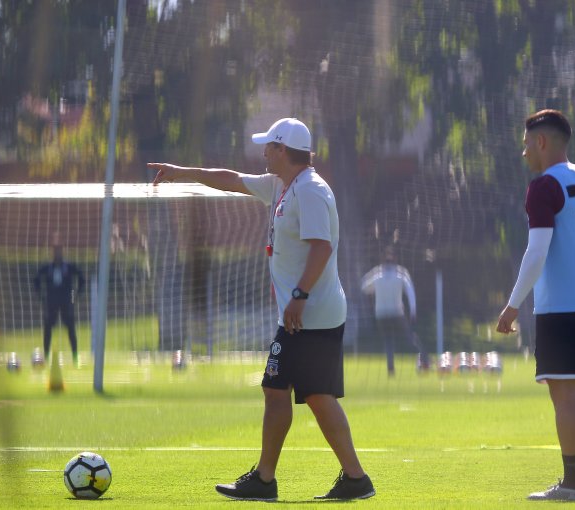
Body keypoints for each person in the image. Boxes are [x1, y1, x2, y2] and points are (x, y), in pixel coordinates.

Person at [148, 117, 375, 501]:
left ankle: (279, 480)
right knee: (297, 392)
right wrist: (181, 172)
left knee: (294, 392)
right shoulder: (283, 186)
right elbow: (231, 178)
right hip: (302, 314)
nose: (263, 151)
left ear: (283, 150)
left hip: (309, 313)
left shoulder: (312, 190)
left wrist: (299, 297)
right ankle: (339, 479)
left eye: (268, 146)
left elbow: (321, 246)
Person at [495, 109, 575, 501]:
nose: (524, 154)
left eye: (525, 145)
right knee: (571, 391)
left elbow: (536, 252)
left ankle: (572, 483)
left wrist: (512, 304)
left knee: (564, 395)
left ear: (542, 142)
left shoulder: (544, 186)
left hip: (562, 306)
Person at [361, 247, 428, 374]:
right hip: (397, 312)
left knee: (388, 340)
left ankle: (390, 368)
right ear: (395, 260)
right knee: (409, 337)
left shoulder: (377, 275)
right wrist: (413, 311)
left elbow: (364, 287)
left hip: (381, 313)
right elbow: (410, 292)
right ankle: (424, 359)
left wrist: (375, 279)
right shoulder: (401, 273)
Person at [33, 243, 85, 365]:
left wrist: (75, 296)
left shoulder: (68, 267)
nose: (57, 254)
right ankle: (46, 356)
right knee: (48, 328)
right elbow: (36, 280)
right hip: (51, 302)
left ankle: (75, 356)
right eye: (55, 251)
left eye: (59, 251)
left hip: (67, 302)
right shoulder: (48, 268)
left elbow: (81, 279)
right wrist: (41, 296)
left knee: (71, 328)